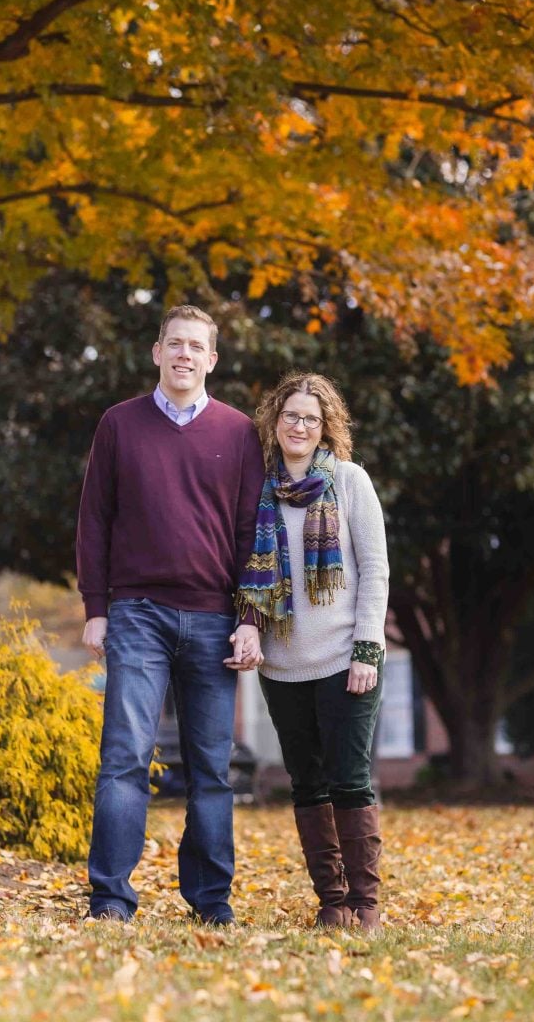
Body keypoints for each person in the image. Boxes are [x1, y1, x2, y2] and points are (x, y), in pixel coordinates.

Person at [77, 305, 264, 925]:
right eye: (174, 343)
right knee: (125, 757)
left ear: (212, 360)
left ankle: (212, 903)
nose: (184, 354)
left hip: (214, 619)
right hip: (137, 615)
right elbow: (95, 521)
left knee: (212, 769)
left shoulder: (239, 434)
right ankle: (110, 899)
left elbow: (249, 533)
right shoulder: (118, 425)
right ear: (157, 352)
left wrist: (250, 618)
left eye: (197, 346)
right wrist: (96, 609)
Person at [235, 372, 389, 930]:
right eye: (291, 415)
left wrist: (367, 650)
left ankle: (364, 904)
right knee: (307, 782)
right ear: (274, 422)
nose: (300, 426)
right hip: (282, 666)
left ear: (326, 428)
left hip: (345, 659)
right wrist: (247, 624)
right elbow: (244, 573)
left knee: (349, 778)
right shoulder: (256, 490)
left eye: (311, 418)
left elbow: (374, 570)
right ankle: (331, 901)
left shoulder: (348, 481)